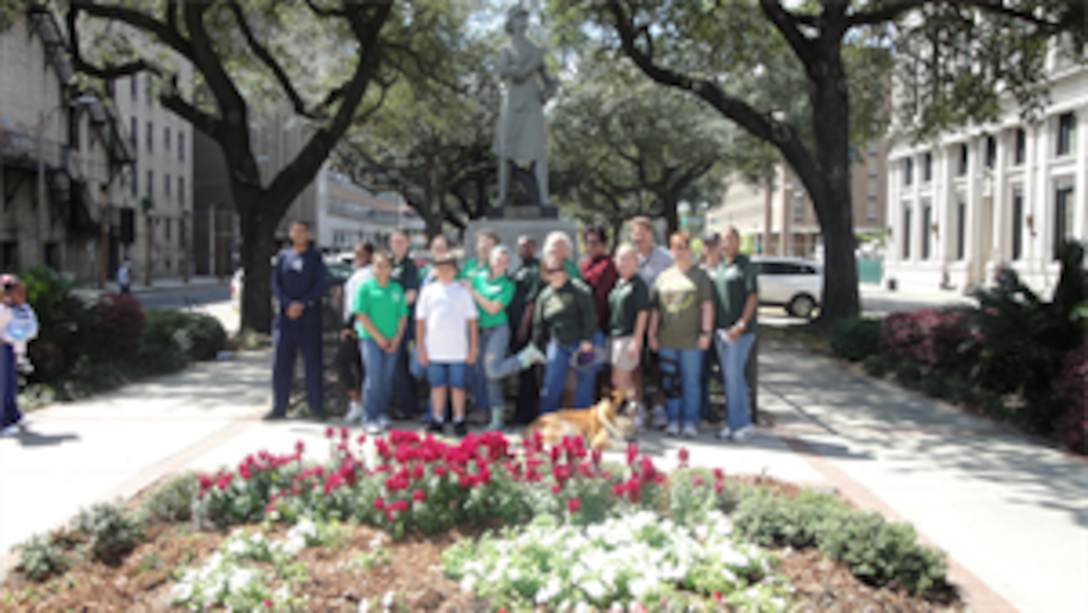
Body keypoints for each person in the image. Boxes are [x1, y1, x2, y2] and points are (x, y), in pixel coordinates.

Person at [466, 245, 545, 430]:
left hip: (498, 331)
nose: (499, 264)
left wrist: (473, 292)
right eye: (496, 260)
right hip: (479, 330)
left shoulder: (508, 285)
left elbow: (493, 308)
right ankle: (496, 419)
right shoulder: (477, 279)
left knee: (492, 370)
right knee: (489, 377)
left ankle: (528, 357)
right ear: (490, 261)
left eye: (504, 261)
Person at [648, 232, 714, 438]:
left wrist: (706, 333)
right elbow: (656, 310)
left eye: (684, 246)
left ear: (690, 250)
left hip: (691, 341)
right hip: (667, 339)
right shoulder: (663, 277)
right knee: (670, 382)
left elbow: (707, 306)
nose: (681, 251)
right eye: (677, 247)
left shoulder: (700, 276)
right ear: (671, 250)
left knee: (691, 382)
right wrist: (651, 334)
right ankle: (673, 420)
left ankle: (689, 421)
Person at [492, 5, 557, 208]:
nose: (522, 20)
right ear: (511, 21)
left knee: (538, 152)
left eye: (525, 17)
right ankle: (501, 197)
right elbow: (505, 71)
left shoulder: (536, 49)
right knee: (505, 153)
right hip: (512, 102)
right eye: (518, 17)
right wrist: (529, 66)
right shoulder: (506, 48)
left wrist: (548, 92)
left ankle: (544, 197)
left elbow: (549, 80)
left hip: (532, 104)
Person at [267, 221, 328, 421]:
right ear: (290, 234)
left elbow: (321, 284)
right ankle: (279, 406)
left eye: (303, 231)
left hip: (309, 320)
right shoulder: (283, 257)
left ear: (308, 234)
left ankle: (316, 407)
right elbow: (275, 284)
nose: (299, 234)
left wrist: (303, 303)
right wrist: (287, 304)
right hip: (285, 321)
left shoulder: (315, 257)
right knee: (282, 364)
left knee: (313, 364)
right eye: (295, 231)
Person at [416, 253, 479, 437]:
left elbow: (472, 321)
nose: (444, 273)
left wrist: (472, 348)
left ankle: (459, 419)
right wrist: (421, 348)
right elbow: (421, 321)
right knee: (437, 386)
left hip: (458, 349)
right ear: (434, 271)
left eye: (448, 269)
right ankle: (437, 418)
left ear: (455, 271)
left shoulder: (462, 292)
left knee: (457, 386)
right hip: (435, 349)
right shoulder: (428, 291)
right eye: (441, 269)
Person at [712, 227, 760, 442]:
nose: (726, 244)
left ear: (738, 241)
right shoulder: (721, 266)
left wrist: (741, 323)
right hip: (721, 331)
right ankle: (732, 423)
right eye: (723, 240)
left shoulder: (746, 266)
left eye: (730, 239)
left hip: (739, 332)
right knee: (730, 378)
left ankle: (742, 423)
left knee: (734, 377)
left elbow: (752, 296)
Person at [533, 253, 597, 414]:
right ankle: (546, 422)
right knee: (551, 385)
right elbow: (539, 325)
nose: (556, 273)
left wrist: (587, 339)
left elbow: (589, 315)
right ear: (545, 274)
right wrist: (536, 347)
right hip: (557, 344)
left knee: (584, 384)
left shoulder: (578, 289)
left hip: (579, 342)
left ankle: (583, 424)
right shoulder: (544, 296)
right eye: (551, 270)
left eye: (559, 268)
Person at [354, 252, 408, 435]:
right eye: (379, 266)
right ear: (372, 267)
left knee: (386, 378)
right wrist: (378, 336)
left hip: (392, 340)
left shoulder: (396, 289)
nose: (382, 269)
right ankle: (369, 416)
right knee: (373, 377)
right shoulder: (365, 288)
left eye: (386, 266)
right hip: (370, 339)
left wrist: (397, 338)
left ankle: (382, 413)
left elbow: (402, 315)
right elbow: (361, 315)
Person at [630, 216, 674, 429]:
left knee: (659, 365)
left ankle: (659, 406)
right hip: (636, 319)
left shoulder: (665, 257)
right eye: (635, 233)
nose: (638, 238)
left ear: (650, 234)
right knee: (635, 364)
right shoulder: (631, 258)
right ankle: (639, 405)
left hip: (660, 320)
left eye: (642, 233)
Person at [608, 245, 650, 416]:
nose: (623, 263)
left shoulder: (638, 284)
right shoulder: (619, 283)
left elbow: (643, 313)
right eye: (620, 258)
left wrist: (636, 340)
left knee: (621, 379)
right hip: (615, 336)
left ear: (635, 261)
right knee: (620, 379)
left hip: (628, 337)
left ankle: (635, 412)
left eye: (627, 259)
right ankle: (633, 411)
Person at [335, 241, 374, 423]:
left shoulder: (367, 275)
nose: (357, 257)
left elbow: (360, 305)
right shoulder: (357, 274)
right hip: (353, 323)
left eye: (361, 254)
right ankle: (360, 402)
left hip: (358, 325)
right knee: (359, 366)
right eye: (355, 253)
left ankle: (358, 401)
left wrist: (349, 327)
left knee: (342, 362)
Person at [507, 235, 542, 426]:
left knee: (528, 370)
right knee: (522, 372)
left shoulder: (536, 270)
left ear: (534, 248)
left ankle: (527, 412)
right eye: (520, 247)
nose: (523, 250)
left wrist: (523, 326)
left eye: (527, 246)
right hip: (514, 327)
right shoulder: (520, 268)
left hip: (526, 331)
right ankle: (523, 410)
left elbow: (532, 301)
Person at [580, 226, 618, 394]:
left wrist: (593, 321)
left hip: (600, 326)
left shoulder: (608, 266)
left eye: (595, 242)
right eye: (587, 242)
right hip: (584, 326)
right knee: (587, 368)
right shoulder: (584, 265)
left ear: (603, 245)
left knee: (602, 369)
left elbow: (602, 298)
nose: (590, 246)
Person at [389, 230, 421, 419]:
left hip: (403, 323)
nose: (397, 245)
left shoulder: (409, 267)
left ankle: (408, 408)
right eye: (394, 242)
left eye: (401, 242)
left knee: (402, 367)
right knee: (394, 368)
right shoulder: (390, 264)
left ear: (408, 244)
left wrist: (392, 307)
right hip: (387, 324)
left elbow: (411, 295)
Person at [699, 231, 723, 422]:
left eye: (713, 244)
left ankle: (730, 412)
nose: (709, 248)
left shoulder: (724, 269)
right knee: (702, 372)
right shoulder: (698, 270)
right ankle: (703, 411)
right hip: (702, 329)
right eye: (706, 244)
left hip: (722, 328)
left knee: (726, 373)